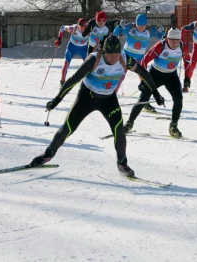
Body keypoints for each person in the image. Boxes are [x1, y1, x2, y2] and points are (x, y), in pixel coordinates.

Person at [29, 36, 165, 177]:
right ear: (103, 51)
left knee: (119, 129)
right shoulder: (94, 60)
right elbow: (73, 80)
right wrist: (57, 100)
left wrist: (155, 93)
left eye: (116, 54)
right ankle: (48, 154)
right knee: (68, 128)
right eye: (110, 54)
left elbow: (144, 73)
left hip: (108, 100)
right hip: (87, 98)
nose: (113, 57)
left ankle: (122, 163)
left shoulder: (125, 59)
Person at [123, 28, 187, 138]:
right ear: (167, 38)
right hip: (155, 75)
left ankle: (174, 125)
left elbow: (188, 61)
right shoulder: (160, 46)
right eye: (172, 40)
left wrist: (188, 78)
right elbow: (144, 61)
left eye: (177, 40)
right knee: (143, 99)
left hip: (171, 75)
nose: (175, 43)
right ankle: (129, 123)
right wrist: (143, 80)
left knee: (178, 98)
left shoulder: (182, 46)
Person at [55, 18, 90, 86]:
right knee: (66, 63)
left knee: (88, 64)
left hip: (83, 48)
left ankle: (89, 83)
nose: (83, 28)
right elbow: (62, 28)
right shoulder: (73, 28)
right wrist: (59, 39)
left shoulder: (88, 30)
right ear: (78, 25)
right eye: (81, 26)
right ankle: (62, 81)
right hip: (72, 47)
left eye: (85, 26)